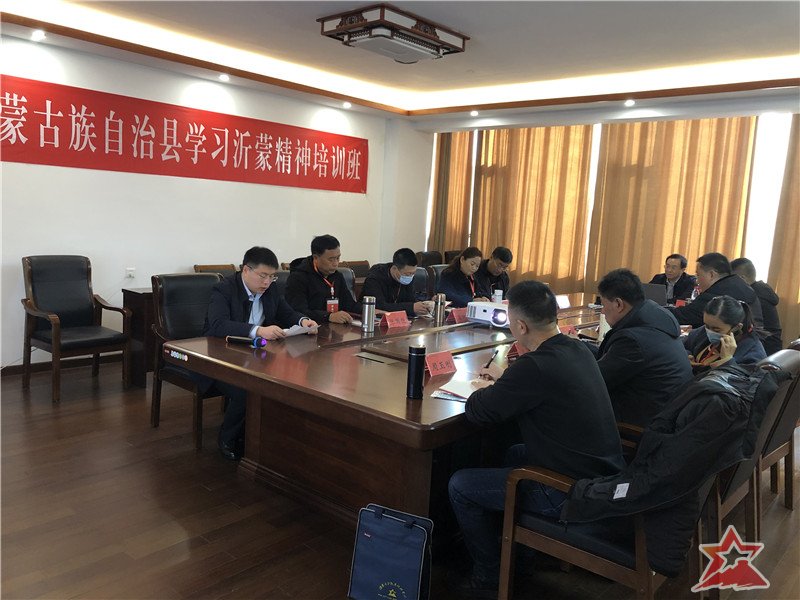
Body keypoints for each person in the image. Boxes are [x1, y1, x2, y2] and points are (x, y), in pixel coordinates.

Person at [448, 281, 625, 597]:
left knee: (460, 485)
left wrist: (484, 389)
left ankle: (488, 577)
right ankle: (518, 556)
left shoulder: (535, 366)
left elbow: (479, 412)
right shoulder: (577, 349)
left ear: (520, 325)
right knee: (515, 453)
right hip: (602, 474)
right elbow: (537, 386)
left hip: (571, 491)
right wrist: (507, 382)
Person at [203, 246, 318, 460]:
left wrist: (303, 321)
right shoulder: (224, 289)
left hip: (257, 356)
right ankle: (228, 438)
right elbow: (218, 325)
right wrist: (258, 330)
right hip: (222, 357)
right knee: (247, 389)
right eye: (263, 276)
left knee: (285, 382)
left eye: (272, 277)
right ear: (246, 270)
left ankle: (266, 437)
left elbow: (286, 312)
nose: (267, 282)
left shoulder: (270, 290)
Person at [591, 269, 693, 427]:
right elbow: (610, 358)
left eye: (603, 305)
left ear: (618, 304)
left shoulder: (633, 340)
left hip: (643, 424)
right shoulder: (654, 318)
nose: (603, 311)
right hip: (666, 410)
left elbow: (595, 380)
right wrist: (578, 347)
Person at [666, 252, 763, 328]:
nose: (697, 281)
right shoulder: (739, 284)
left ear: (712, 274)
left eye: (698, 275)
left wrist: (658, 310)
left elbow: (682, 316)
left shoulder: (714, 295)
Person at [285, 234, 362, 324]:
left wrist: (369, 310)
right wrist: (328, 316)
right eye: (331, 259)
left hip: (336, 328)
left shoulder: (337, 276)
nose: (336, 263)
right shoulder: (298, 278)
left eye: (338, 258)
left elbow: (349, 305)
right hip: (310, 328)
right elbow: (298, 312)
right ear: (316, 258)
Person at [684, 294, 766, 371]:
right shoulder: (705, 330)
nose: (709, 332)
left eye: (716, 330)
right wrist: (687, 356)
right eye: (706, 326)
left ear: (737, 327)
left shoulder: (752, 353)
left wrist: (727, 360)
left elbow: (742, 380)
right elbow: (685, 345)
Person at [731, 257, 783, 354]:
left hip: (764, 348)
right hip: (773, 345)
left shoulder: (752, 296)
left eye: (732, 279)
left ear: (742, 278)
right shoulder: (762, 289)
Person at [359, 248, 430, 317]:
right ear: (394, 268)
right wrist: (411, 308)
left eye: (413, 273)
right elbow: (379, 306)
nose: (410, 277)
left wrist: (424, 306)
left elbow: (411, 300)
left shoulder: (408, 277)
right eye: (407, 274)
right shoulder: (375, 277)